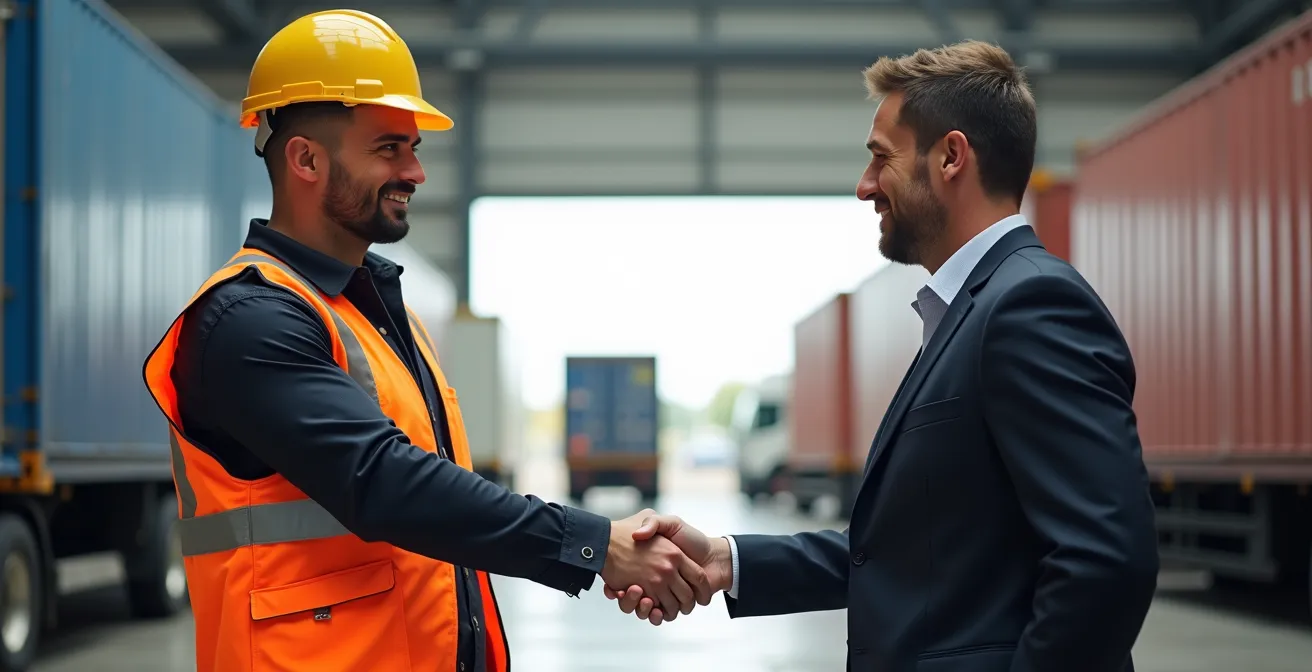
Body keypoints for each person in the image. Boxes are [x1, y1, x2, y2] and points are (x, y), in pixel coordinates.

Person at [141, 10, 709, 672]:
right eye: (389, 148)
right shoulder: (250, 318)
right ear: (306, 159)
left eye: (414, 148)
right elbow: (384, 482)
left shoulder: (380, 316)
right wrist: (595, 544)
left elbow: (440, 508)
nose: (416, 172)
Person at [604, 39, 1160, 671]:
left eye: (880, 158)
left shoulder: (1031, 305)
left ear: (951, 157)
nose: (864, 186)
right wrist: (724, 560)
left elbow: (1106, 560)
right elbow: (908, 555)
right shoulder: (970, 312)